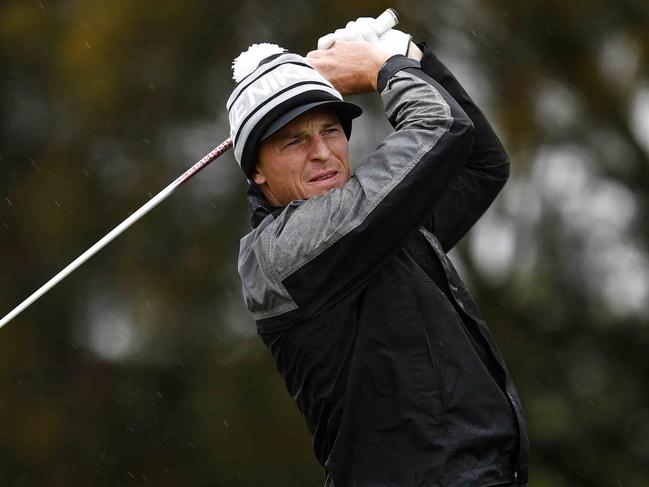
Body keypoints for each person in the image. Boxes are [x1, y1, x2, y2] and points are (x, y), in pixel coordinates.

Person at [227, 16, 529, 487]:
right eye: (295, 140)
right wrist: (382, 68)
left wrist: (411, 55)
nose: (324, 152)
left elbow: (480, 164)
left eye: (330, 130)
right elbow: (439, 125)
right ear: (258, 172)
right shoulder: (281, 254)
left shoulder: (376, 221)